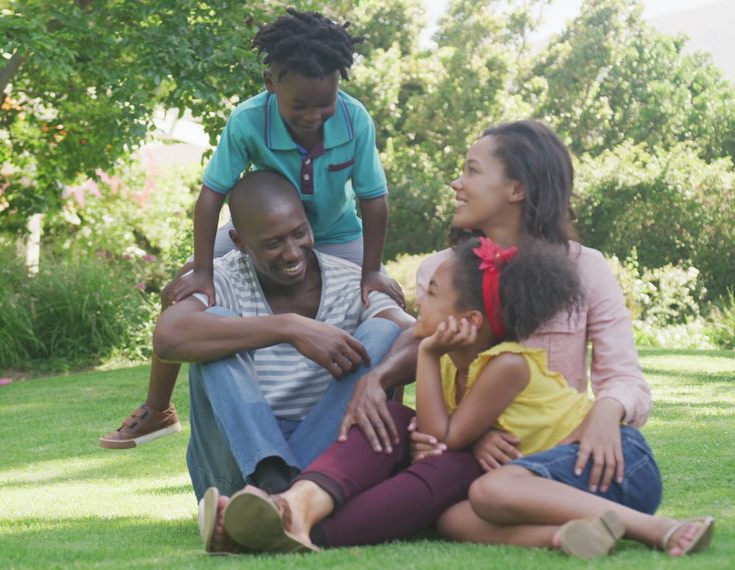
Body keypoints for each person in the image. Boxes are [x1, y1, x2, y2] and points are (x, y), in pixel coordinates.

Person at [98, 8, 404, 449]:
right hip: (265, 229)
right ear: (270, 83)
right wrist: (203, 270)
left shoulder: (355, 120)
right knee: (182, 291)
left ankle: (382, 424)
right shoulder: (247, 120)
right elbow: (211, 197)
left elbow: (374, 200)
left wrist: (372, 270)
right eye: (299, 104)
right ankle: (158, 408)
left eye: (325, 103)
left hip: (337, 233)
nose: (313, 115)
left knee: (385, 304)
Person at [339, 120, 652, 501]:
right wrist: (475, 435)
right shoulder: (440, 273)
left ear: (517, 189)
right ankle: (304, 502)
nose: (457, 183)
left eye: (472, 171)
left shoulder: (587, 269)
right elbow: (439, 385)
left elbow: (626, 379)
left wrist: (606, 411)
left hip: (559, 451)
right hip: (471, 458)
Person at [213, 236, 586, 553]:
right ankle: (293, 504)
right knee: (392, 419)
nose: (419, 299)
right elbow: (429, 431)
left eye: (432, 293)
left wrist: (428, 356)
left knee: (450, 461)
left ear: (470, 320)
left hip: (524, 480)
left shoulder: (504, 364)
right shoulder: (446, 359)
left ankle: (284, 534)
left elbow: (442, 438)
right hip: (476, 469)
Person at [147, 171, 412, 513]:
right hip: (234, 472)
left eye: (299, 233)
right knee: (215, 326)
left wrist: (378, 377)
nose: (291, 253)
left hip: (324, 458)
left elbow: (416, 334)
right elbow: (169, 337)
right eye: (273, 243)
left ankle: (282, 497)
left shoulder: (351, 283)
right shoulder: (220, 278)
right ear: (240, 242)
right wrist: (290, 328)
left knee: (384, 331)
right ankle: (270, 477)